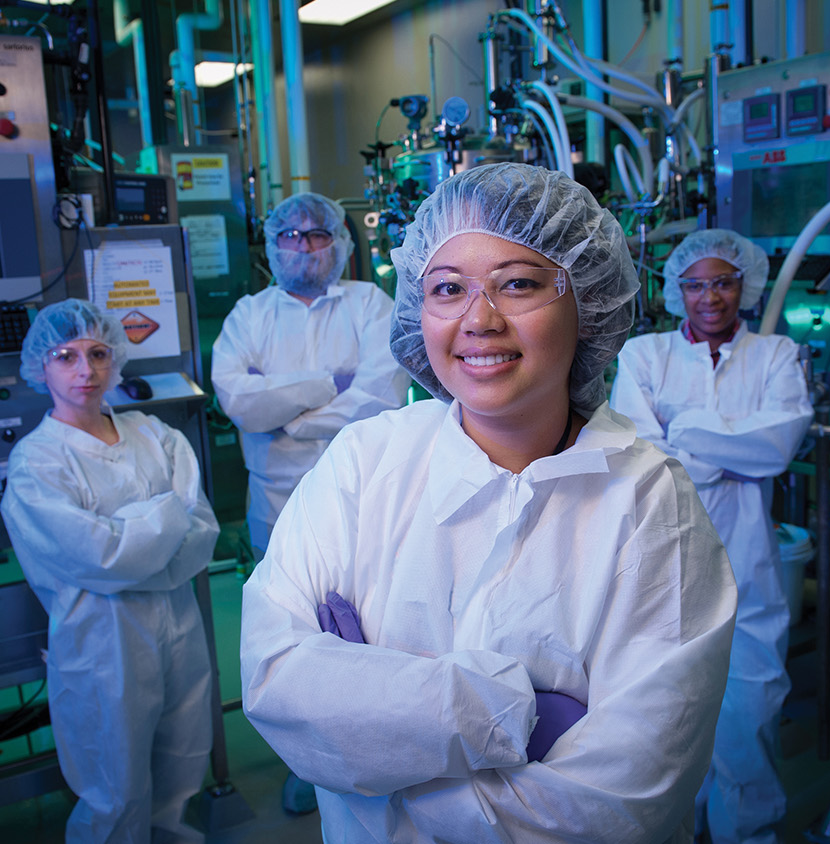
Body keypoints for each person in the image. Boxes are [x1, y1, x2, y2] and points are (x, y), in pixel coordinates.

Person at [240, 163, 738, 843]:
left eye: (518, 284)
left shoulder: (650, 501)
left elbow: (625, 801)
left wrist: (388, 767)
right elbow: (277, 683)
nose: (480, 319)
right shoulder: (365, 463)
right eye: (447, 288)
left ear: (585, 300)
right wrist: (515, 714)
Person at [610, 229, 814, 844]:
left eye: (722, 281)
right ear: (676, 290)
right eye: (695, 284)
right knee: (668, 709)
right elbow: (643, 454)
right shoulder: (644, 356)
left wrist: (688, 429)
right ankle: (679, 828)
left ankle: (750, 834)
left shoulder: (777, 355)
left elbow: (778, 446)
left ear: (743, 285)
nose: (710, 297)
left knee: (751, 705)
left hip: (749, 555)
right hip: (665, 552)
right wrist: (729, 449)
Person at [0, 299, 220, 844]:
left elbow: (202, 531)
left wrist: (129, 535)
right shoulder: (37, 463)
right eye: (65, 356)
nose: (85, 370)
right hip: (102, 636)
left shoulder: (154, 435)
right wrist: (162, 521)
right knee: (113, 777)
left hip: (178, 621)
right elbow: (97, 556)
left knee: (183, 747)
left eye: (98, 353)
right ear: (40, 367)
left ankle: (168, 833)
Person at [211, 192, 410, 556]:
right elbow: (240, 402)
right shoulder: (249, 315)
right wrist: (332, 384)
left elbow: (380, 398)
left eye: (318, 234)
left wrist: (286, 416)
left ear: (339, 242)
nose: (303, 246)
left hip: (360, 490)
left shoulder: (369, 304)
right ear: (272, 244)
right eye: (290, 235)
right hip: (275, 499)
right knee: (281, 606)